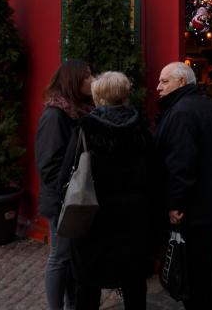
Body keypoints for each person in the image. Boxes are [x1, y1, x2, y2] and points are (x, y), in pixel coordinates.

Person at [61, 72, 159, 310]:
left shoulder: (86, 130)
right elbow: (156, 175)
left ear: (97, 97)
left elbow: (67, 173)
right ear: (126, 95)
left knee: (88, 284)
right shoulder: (143, 130)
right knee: (134, 284)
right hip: (135, 217)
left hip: (93, 215)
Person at [154, 62, 212, 310]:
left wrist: (175, 203)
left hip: (191, 210)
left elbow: (181, 163)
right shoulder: (203, 105)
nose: (158, 87)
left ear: (181, 82)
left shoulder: (181, 111)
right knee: (203, 276)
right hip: (206, 206)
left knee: (192, 278)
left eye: (164, 81)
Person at [35, 59, 94, 310]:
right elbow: (49, 165)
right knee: (60, 257)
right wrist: (69, 190)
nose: (92, 81)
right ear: (73, 82)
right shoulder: (55, 115)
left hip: (75, 198)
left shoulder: (79, 111)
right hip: (62, 200)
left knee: (71, 257)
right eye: (87, 76)